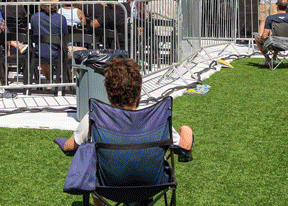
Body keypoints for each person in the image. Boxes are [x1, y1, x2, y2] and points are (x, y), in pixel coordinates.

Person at [62, 56, 193, 163]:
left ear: (108, 92)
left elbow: (69, 147)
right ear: (139, 90)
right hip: (151, 186)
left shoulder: (94, 118)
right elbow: (184, 147)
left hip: (107, 187)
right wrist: (186, 129)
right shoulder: (157, 118)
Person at [254, 0, 288, 67]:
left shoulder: (270, 18)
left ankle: (268, 59)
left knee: (258, 37)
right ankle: (273, 59)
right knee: (276, 37)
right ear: (287, 7)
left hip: (275, 43)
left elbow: (264, 36)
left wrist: (265, 38)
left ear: (276, 5)